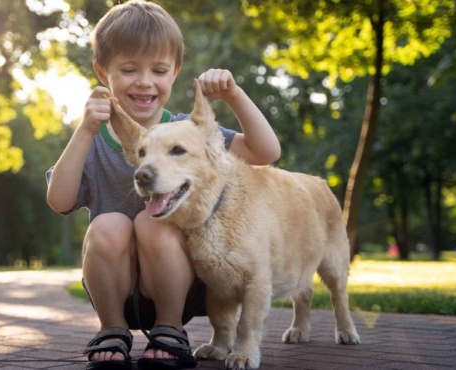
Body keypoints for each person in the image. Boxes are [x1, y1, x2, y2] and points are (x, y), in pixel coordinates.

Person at [45, 1, 281, 369]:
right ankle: (112, 330)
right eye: (128, 69)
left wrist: (234, 95)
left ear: (175, 73)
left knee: (151, 222)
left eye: (158, 69)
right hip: (116, 290)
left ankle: (170, 330)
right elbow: (59, 202)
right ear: (101, 71)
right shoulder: (91, 137)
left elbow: (265, 152)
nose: (144, 81)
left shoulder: (189, 131)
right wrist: (84, 130)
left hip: (181, 289)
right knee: (109, 224)